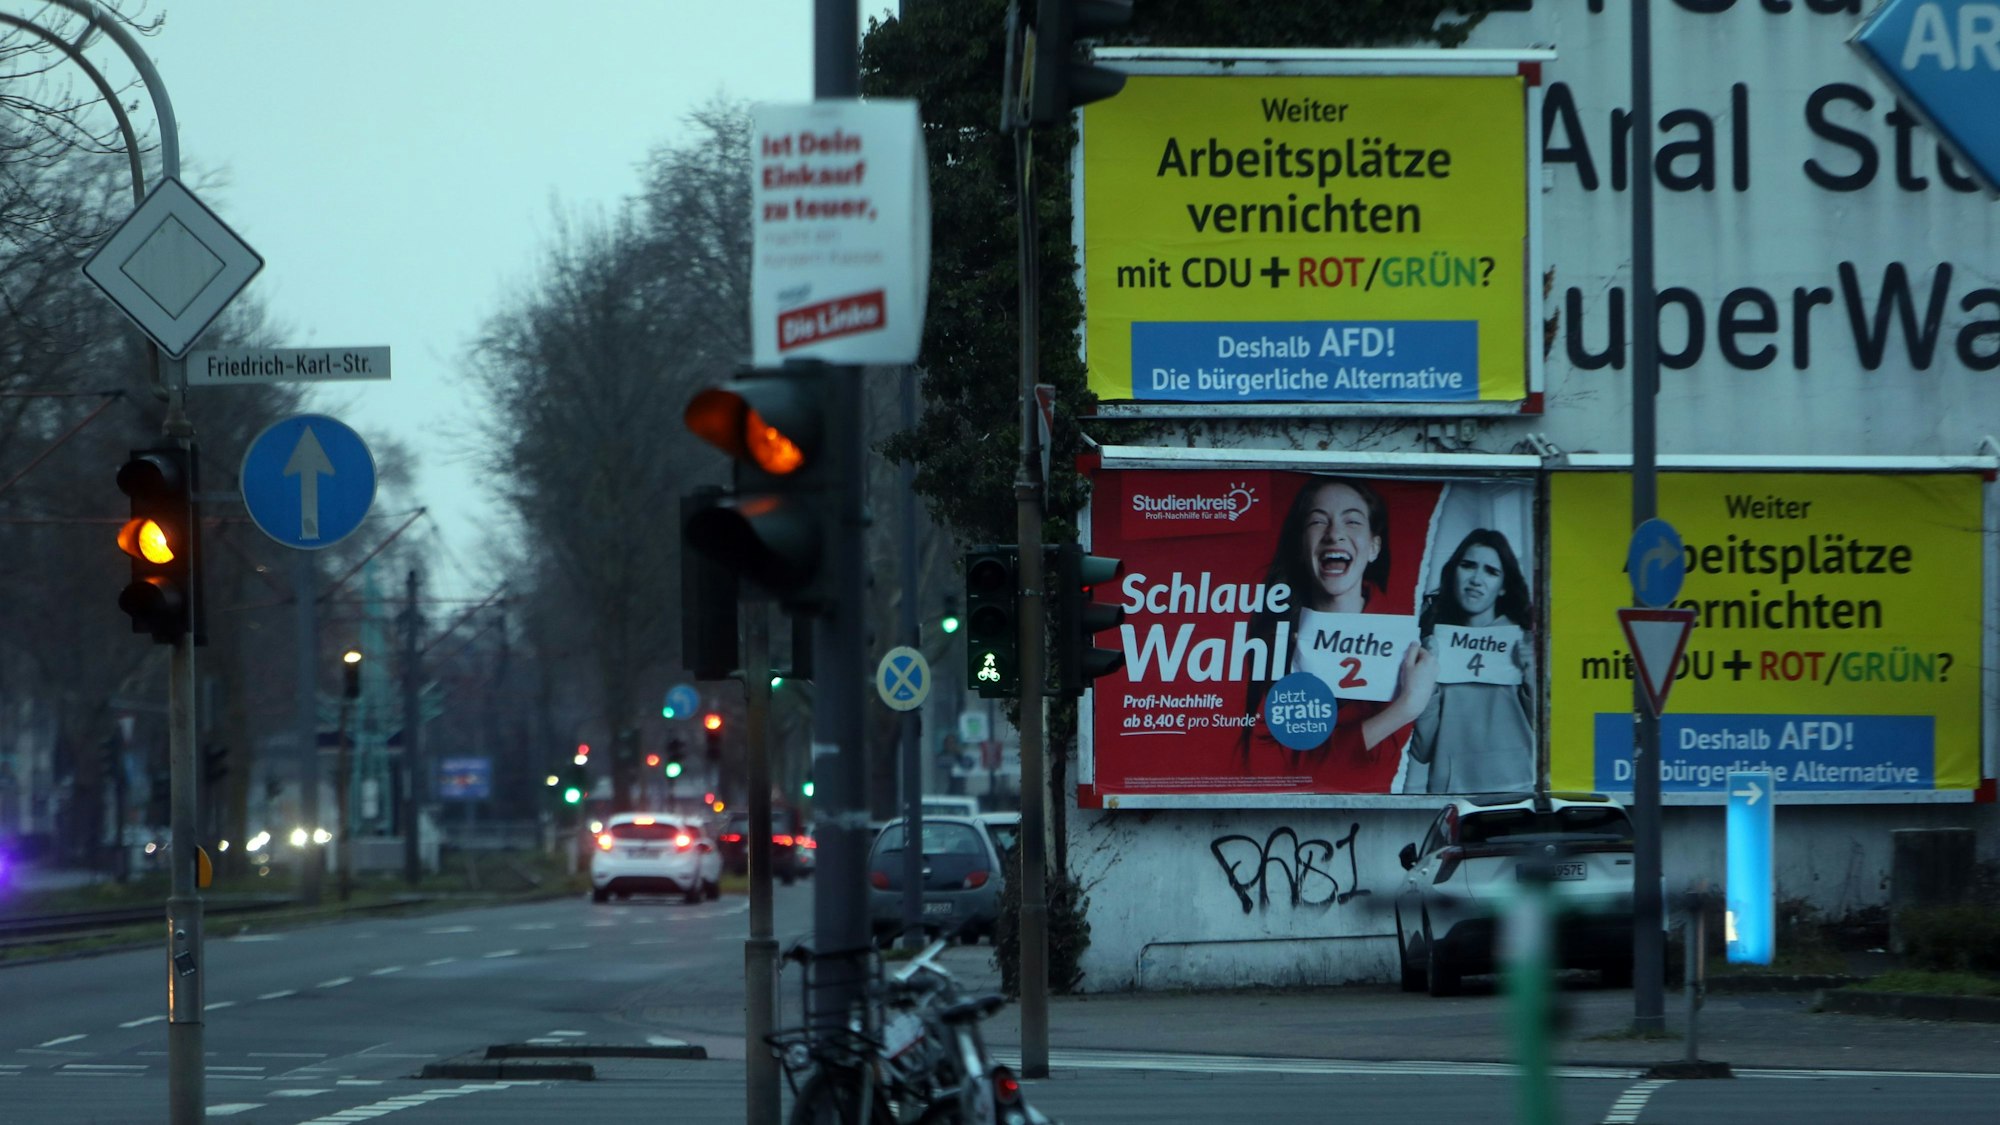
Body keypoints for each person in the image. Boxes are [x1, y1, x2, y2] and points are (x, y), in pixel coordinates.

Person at [1239, 476, 1437, 791]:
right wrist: (1408, 706)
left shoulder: (1408, 647)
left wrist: (1411, 705)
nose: (1335, 534)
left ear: (1374, 547)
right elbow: (1278, 770)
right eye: (1318, 521)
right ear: (1301, 548)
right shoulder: (1271, 640)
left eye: (1352, 521)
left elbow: (1370, 768)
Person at [1407, 528, 1536, 794]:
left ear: (1503, 588)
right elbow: (1422, 751)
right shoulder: (1432, 644)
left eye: (1491, 571)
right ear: (1454, 572)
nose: (1477, 579)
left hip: (1516, 795)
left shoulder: (1526, 644)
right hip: (1452, 801)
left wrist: (1532, 674)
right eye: (1468, 566)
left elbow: (1553, 739)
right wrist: (1427, 678)